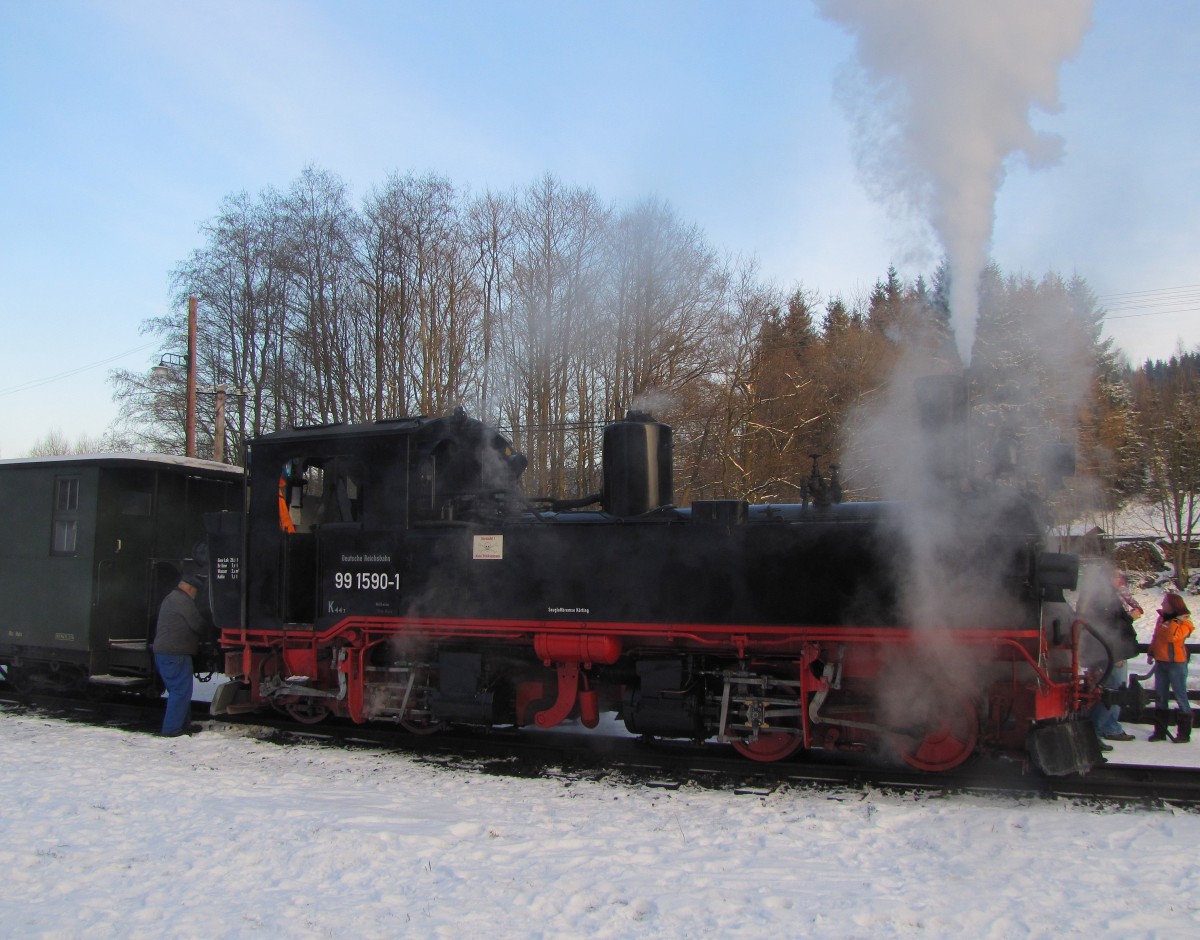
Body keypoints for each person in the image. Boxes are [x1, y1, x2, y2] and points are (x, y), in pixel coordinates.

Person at [1078, 565, 1143, 744]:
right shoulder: (1104, 599)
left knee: (1110, 690)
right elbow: (1110, 628)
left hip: (1105, 652)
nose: (1119, 580)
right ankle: (1097, 731)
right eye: (1115, 577)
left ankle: (1106, 727)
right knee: (1111, 692)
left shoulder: (1098, 596)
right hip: (1109, 653)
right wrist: (1115, 654)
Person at [152, 569, 206, 737]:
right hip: (175, 654)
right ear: (190, 589)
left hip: (168, 653)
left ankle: (183, 724)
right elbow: (196, 624)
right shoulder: (183, 600)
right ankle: (171, 730)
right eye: (196, 592)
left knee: (181, 691)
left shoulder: (171, 598)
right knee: (180, 691)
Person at [1147, 591, 1194, 743]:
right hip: (1161, 662)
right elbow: (1156, 637)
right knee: (1160, 696)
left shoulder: (1184, 623)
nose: (1162, 605)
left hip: (1176, 664)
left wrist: (1173, 621)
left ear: (1173, 606)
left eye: (1165, 603)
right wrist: (1151, 652)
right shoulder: (1162, 619)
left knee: (1180, 696)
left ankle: (1184, 734)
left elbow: (1171, 637)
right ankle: (1160, 731)